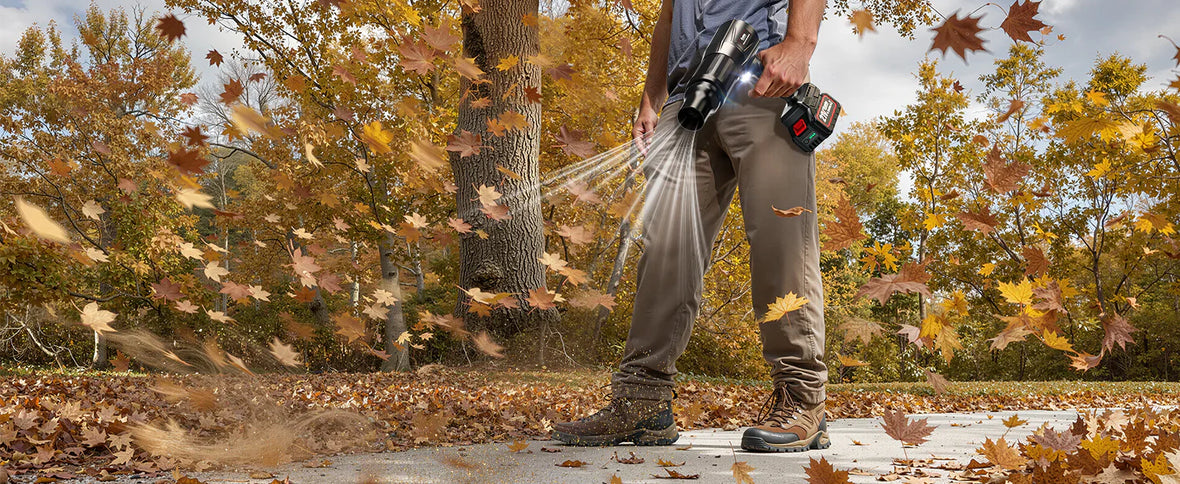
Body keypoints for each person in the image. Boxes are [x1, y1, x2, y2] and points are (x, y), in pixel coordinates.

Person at [552, 0, 830, 453]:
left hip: (762, 85)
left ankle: (802, 400)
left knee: (781, 244)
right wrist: (651, 97)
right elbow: (668, 15)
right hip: (687, 104)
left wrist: (800, 42)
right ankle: (642, 402)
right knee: (665, 253)